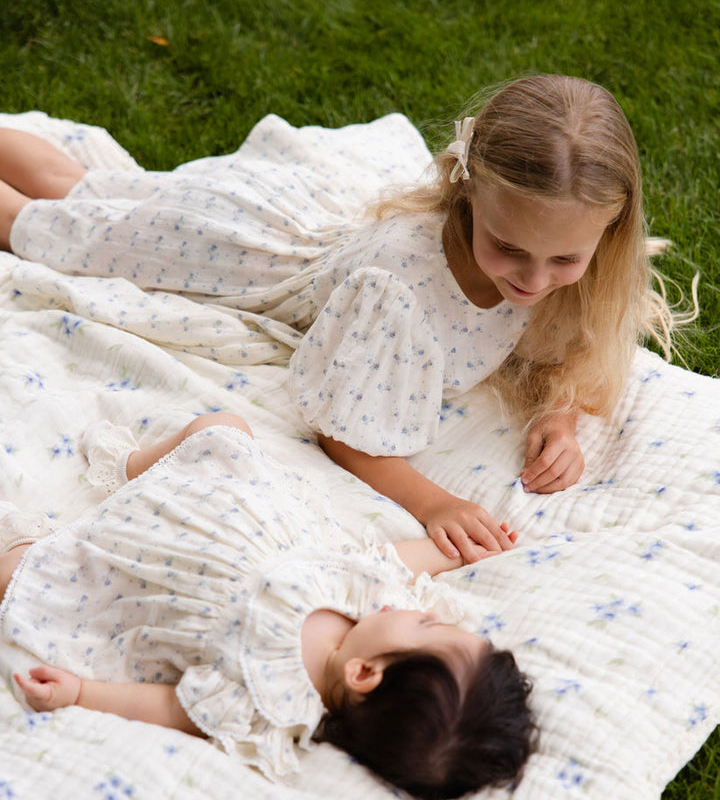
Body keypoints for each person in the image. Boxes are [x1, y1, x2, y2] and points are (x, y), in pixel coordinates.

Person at [0, 75, 693, 562]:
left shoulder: (578, 261)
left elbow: (567, 346)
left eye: (563, 261)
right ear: (469, 195)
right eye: (508, 250)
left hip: (301, 228)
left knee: (94, 193)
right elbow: (342, 431)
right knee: (58, 224)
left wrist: (559, 416)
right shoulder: (400, 289)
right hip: (240, 254)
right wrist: (435, 505)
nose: (535, 282)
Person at [2, 412, 536, 800]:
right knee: (221, 427)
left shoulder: (269, 701)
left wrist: (80, 693)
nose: (424, 611)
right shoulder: (370, 605)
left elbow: (172, 706)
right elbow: (386, 559)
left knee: (20, 576)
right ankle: (133, 466)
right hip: (217, 502)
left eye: (427, 623)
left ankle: (65, 542)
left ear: (364, 673)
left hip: (145, 567)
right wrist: (453, 550)